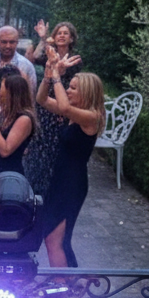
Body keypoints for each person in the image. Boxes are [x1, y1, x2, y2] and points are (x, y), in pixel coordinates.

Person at [37, 52, 106, 268]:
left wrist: (58, 75)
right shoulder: (76, 114)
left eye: (73, 88)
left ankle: (63, 285)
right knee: (55, 239)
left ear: (87, 92)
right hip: (60, 181)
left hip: (72, 184)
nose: (67, 90)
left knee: (54, 240)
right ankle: (71, 282)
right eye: (68, 86)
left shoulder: (92, 117)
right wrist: (48, 74)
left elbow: (64, 107)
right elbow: (41, 100)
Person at [24, 21, 84, 198]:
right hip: (44, 106)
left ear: (71, 38)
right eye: (59, 33)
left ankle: (51, 189)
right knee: (38, 145)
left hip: (61, 110)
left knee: (56, 149)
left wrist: (66, 111)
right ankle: (33, 186)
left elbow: (75, 88)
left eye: (66, 33)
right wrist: (43, 38)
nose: (62, 36)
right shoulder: (48, 55)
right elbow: (33, 58)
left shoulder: (75, 60)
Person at [0, 25, 37, 96]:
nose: (8, 46)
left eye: (12, 42)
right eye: (4, 42)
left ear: (17, 42)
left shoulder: (26, 66)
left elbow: (31, 94)